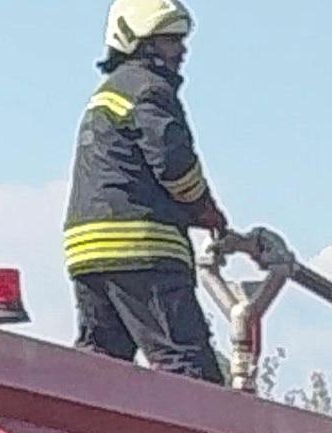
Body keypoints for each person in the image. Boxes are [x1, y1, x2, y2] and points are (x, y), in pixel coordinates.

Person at [65, 0, 229, 381]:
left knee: (101, 372)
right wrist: (206, 210)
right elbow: (174, 164)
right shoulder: (149, 89)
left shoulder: (108, 94)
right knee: (188, 372)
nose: (182, 51)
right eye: (171, 40)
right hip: (142, 250)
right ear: (140, 43)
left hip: (86, 253)